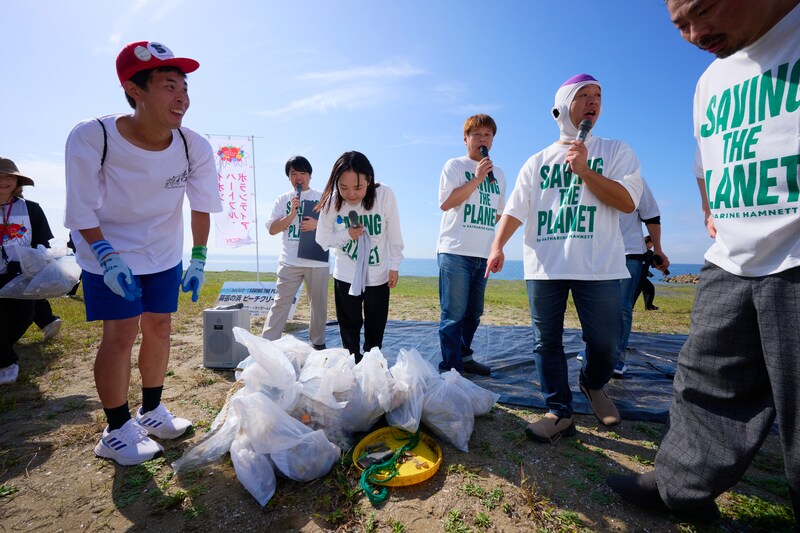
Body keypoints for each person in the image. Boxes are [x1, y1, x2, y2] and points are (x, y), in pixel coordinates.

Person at [607, 0, 800, 523]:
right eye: (679, 25)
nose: (694, 34)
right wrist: (711, 209)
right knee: (704, 380)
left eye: (704, 10)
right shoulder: (710, 81)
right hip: (730, 257)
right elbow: (703, 160)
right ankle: (679, 486)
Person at [64, 41, 222, 466]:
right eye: (169, 86)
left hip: (163, 252)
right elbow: (80, 209)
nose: (182, 97)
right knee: (120, 334)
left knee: (160, 326)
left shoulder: (192, 146)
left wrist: (199, 258)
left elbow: (202, 205)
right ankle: (115, 430)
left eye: (184, 88)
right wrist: (106, 256)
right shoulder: (92, 137)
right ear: (134, 89)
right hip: (107, 249)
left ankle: (151, 410)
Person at [486, 74, 643, 442]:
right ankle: (559, 411)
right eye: (583, 95)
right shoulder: (537, 161)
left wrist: (585, 171)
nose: (593, 101)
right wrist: (497, 246)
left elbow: (627, 202)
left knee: (606, 341)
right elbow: (515, 210)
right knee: (546, 342)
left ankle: (592, 383)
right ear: (561, 107)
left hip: (599, 266)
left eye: (598, 95)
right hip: (546, 264)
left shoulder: (616, 151)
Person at [315, 151, 403, 363]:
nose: (351, 194)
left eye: (357, 187)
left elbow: (394, 234)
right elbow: (322, 239)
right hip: (346, 275)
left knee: (375, 326)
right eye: (343, 187)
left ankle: (372, 365)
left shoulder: (384, 195)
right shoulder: (332, 201)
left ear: (369, 180)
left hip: (377, 276)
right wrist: (347, 234)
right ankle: (352, 364)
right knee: (349, 326)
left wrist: (395, 266)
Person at [436, 114, 506, 376]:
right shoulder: (454, 165)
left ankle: (464, 357)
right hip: (455, 251)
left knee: (474, 312)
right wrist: (476, 179)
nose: (482, 139)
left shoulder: (499, 174)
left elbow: (498, 214)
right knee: (453, 313)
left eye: (487, 135)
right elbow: (446, 203)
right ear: (466, 139)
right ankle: (450, 369)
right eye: (476, 134)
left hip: (483, 254)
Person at [261, 156, 329, 350]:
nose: (298, 178)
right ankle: (267, 346)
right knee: (280, 303)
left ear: (310, 175)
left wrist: (317, 224)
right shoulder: (283, 199)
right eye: (293, 174)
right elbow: (272, 229)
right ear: (289, 177)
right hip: (289, 261)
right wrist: (291, 214)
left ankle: (318, 344)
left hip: (317, 261)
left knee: (318, 306)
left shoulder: (324, 197)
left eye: (302, 173)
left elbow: (337, 223)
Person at [0, 157, 54, 385]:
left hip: (22, 275)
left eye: (9, 177)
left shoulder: (31, 209)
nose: (4, 181)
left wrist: (42, 257)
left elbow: (42, 241)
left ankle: (4, 350)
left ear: (17, 182)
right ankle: (6, 362)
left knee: (23, 317)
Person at [616, 178, 669, 375]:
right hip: (597, 253)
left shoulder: (635, 180)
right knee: (595, 307)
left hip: (629, 253)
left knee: (622, 307)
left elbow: (652, 216)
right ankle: (594, 350)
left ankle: (617, 357)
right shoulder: (587, 175)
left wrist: (658, 249)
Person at [633, 235, 659, 311]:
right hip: (638, 274)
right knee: (637, 290)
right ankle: (629, 307)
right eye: (652, 243)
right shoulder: (640, 251)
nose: (653, 245)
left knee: (649, 288)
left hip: (641, 275)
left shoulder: (649, 253)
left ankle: (649, 306)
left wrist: (664, 271)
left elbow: (654, 264)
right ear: (648, 242)